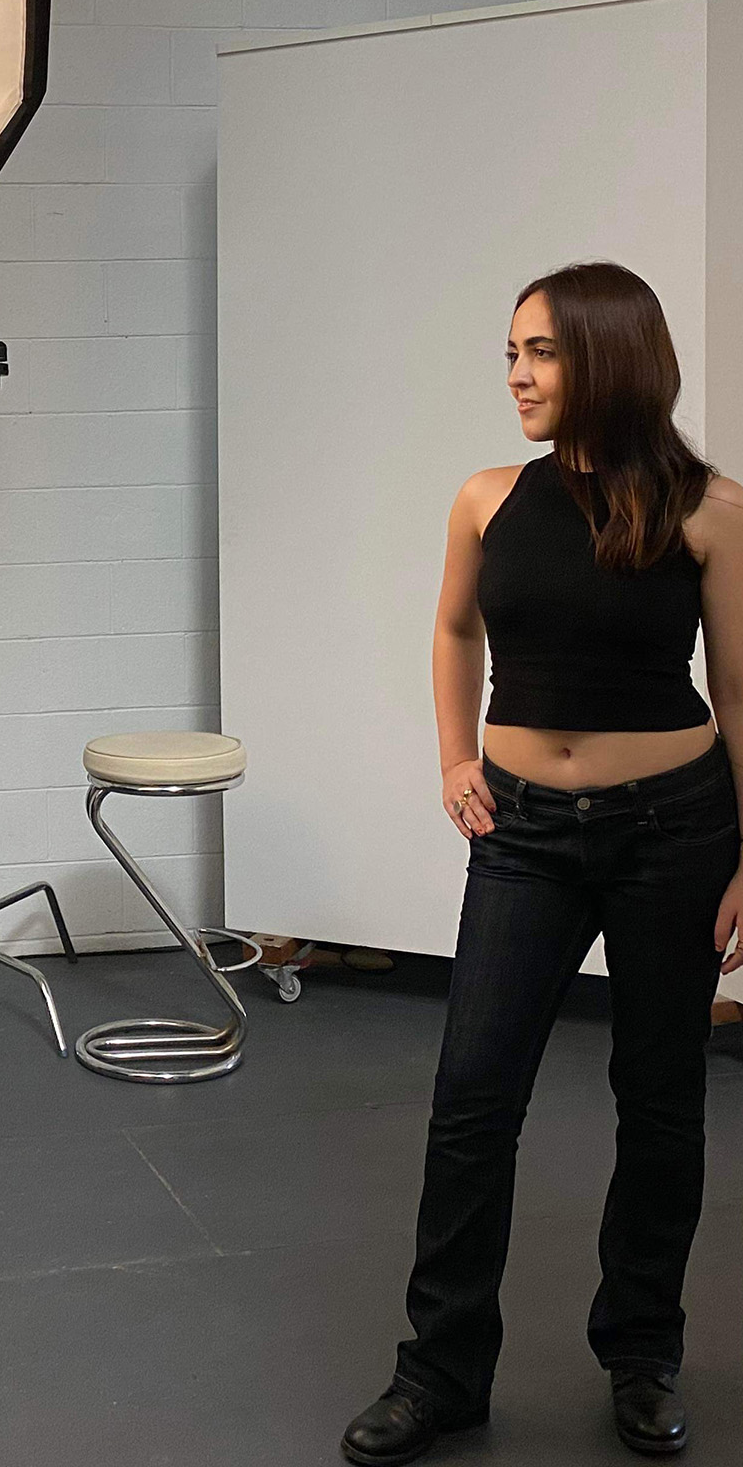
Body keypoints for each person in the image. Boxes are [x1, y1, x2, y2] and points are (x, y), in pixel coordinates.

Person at [342, 261, 743, 1464]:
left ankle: (642, 1356)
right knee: (473, 1099)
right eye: (511, 353)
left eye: (541, 352)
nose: (516, 375)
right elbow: (454, 627)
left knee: (660, 1101)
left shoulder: (711, 511)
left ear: (609, 359)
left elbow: (739, 691)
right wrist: (453, 759)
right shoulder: (486, 499)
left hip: (675, 831)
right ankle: (441, 1372)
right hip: (522, 836)